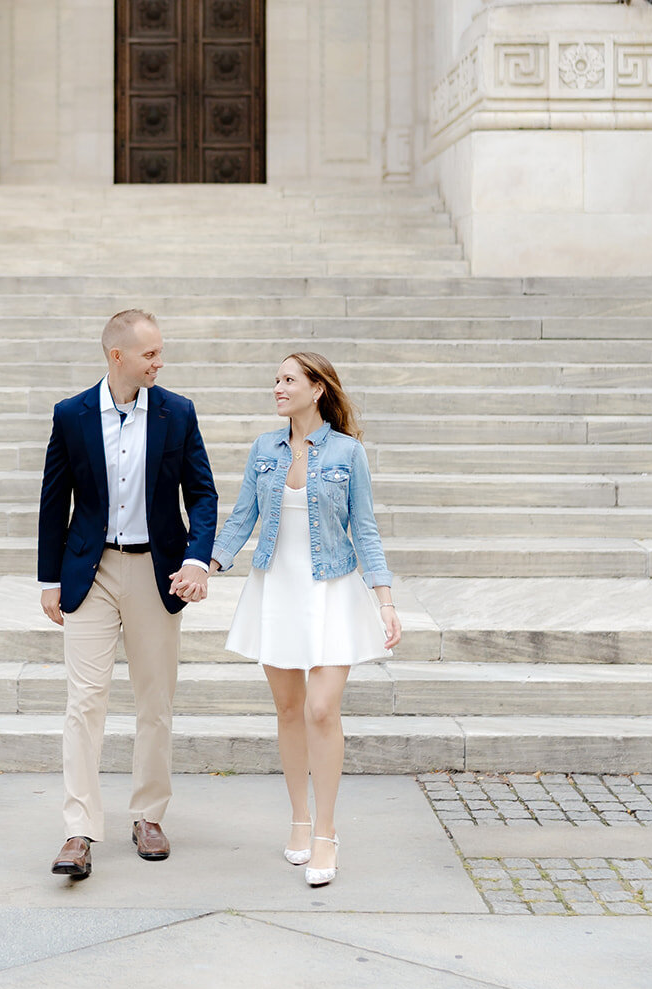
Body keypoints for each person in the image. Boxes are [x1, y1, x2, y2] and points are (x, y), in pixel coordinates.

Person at [38, 309, 218, 881]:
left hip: (155, 572)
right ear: (118, 356)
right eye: (150, 354)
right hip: (90, 573)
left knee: (154, 702)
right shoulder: (71, 415)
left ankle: (148, 816)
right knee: (84, 703)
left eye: (160, 353)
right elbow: (53, 501)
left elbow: (204, 494)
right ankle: (79, 829)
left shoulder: (177, 411)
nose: (159, 362)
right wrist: (49, 580)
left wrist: (196, 558)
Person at [210, 350, 401, 887]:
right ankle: (298, 820)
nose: (277, 387)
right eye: (275, 379)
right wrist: (207, 565)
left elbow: (365, 529)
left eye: (288, 379)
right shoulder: (264, 449)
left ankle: (326, 832)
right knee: (290, 710)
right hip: (277, 588)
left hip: (333, 590)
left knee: (322, 709)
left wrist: (384, 599)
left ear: (317, 389)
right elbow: (242, 516)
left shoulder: (347, 452)